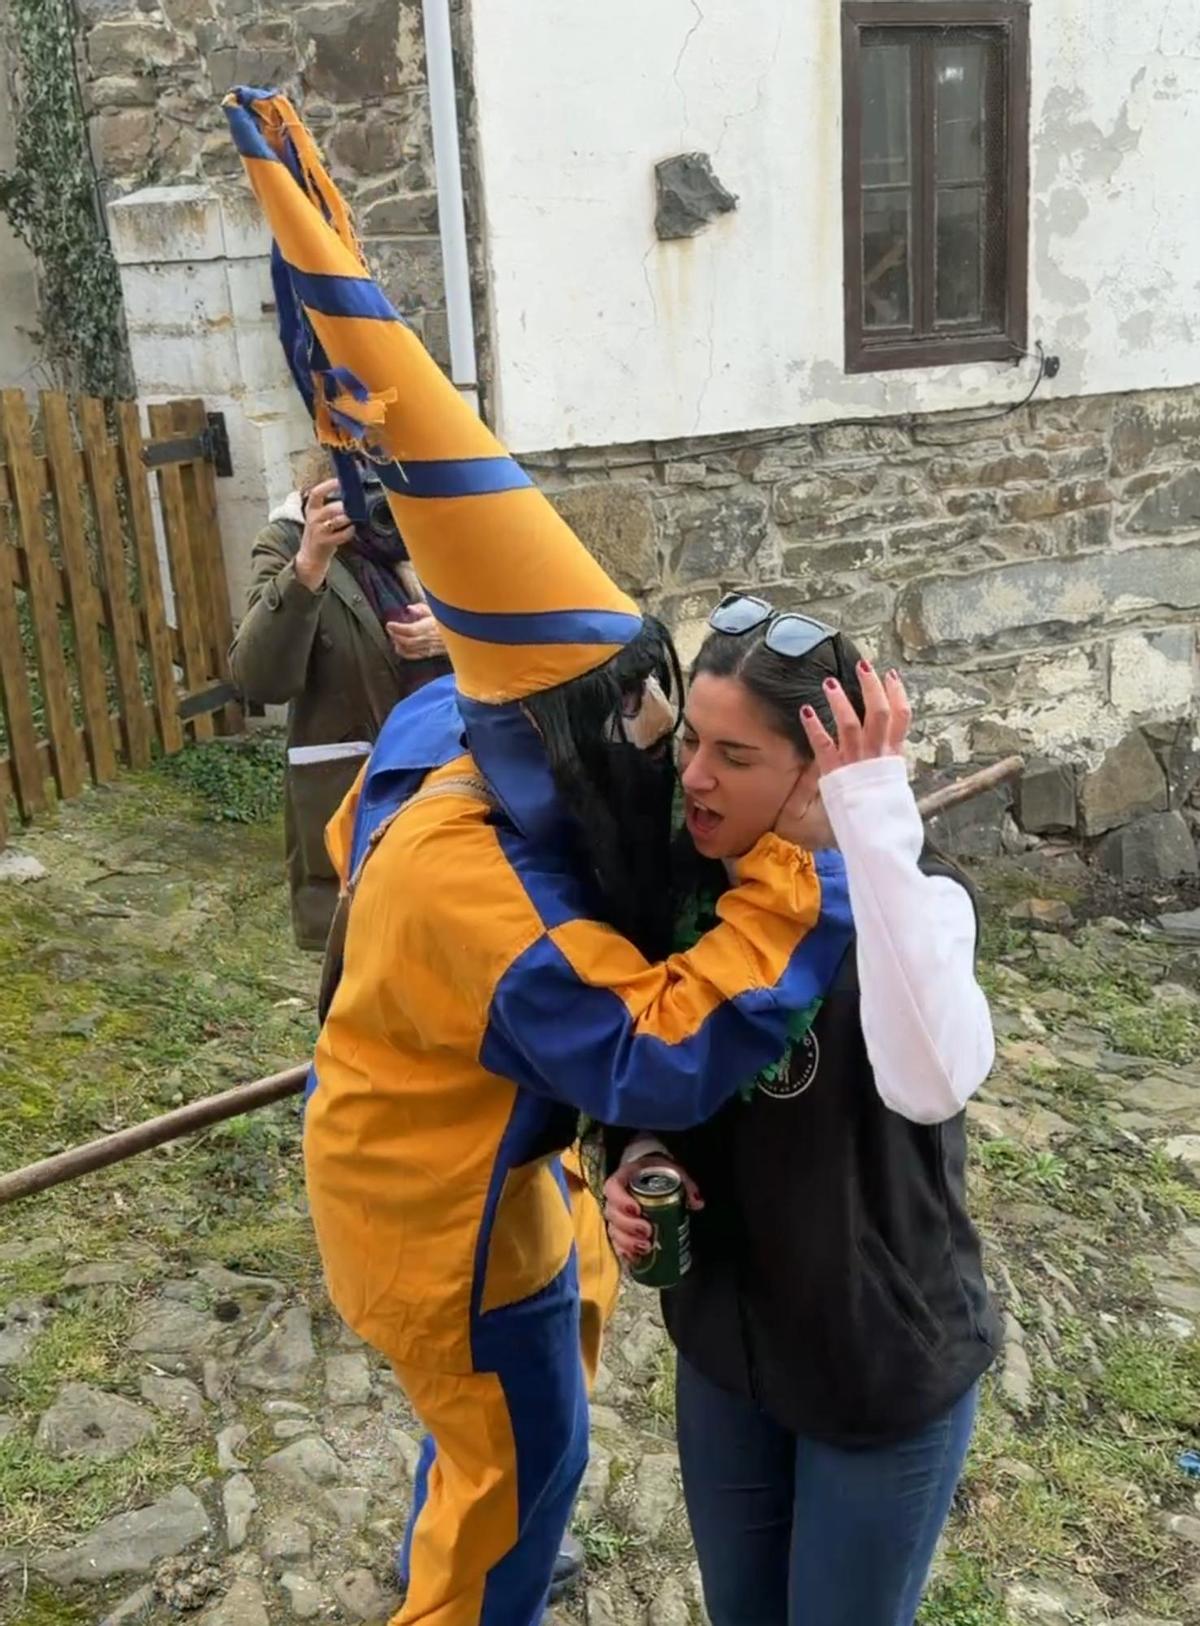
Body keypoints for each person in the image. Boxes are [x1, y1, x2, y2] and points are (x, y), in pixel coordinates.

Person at [224, 90, 857, 1626]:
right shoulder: (483, 897)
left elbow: (372, 802)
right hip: (435, 1206)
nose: (661, 758)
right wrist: (803, 867)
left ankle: (480, 1498)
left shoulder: (445, 719)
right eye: (631, 733)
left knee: (533, 1363)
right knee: (519, 1465)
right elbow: (656, 1050)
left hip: (457, 1138)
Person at [603, 596, 1001, 1626]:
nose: (695, 776)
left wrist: (874, 821)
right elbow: (642, 1061)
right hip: (729, 1353)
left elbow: (931, 1078)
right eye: (692, 741)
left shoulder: (908, 903)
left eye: (734, 756)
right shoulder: (684, 893)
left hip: (874, 1366)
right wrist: (636, 1154)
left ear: (816, 772)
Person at [229, 450, 451, 950]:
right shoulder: (289, 543)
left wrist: (451, 635)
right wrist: (309, 565)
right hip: (357, 804)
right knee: (367, 963)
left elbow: (512, 630)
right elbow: (258, 679)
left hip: (447, 788)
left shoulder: (432, 527)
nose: (377, 504)